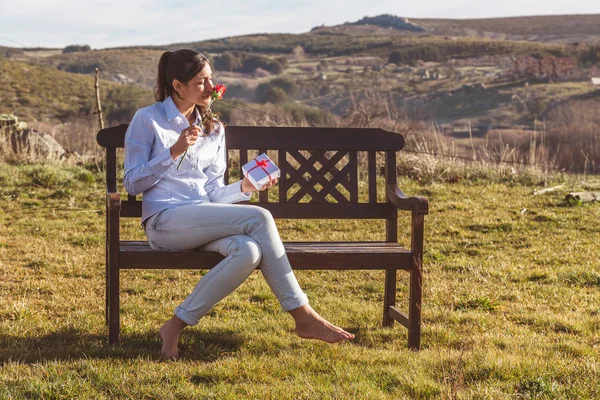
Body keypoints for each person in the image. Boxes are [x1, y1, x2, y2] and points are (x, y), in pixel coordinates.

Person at [124, 49, 354, 359]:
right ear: (178, 86)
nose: (211, 87)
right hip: (165, 222)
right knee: (259, 218)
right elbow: (133, 183)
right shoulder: (148, 119)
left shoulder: (213, 128)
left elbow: (213, 193)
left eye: (211, 80)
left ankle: (174, 326)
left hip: (203, 219)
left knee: (248, 250)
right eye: (201, 81)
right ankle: (304, 316)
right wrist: (173, 152)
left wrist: (244, 187)